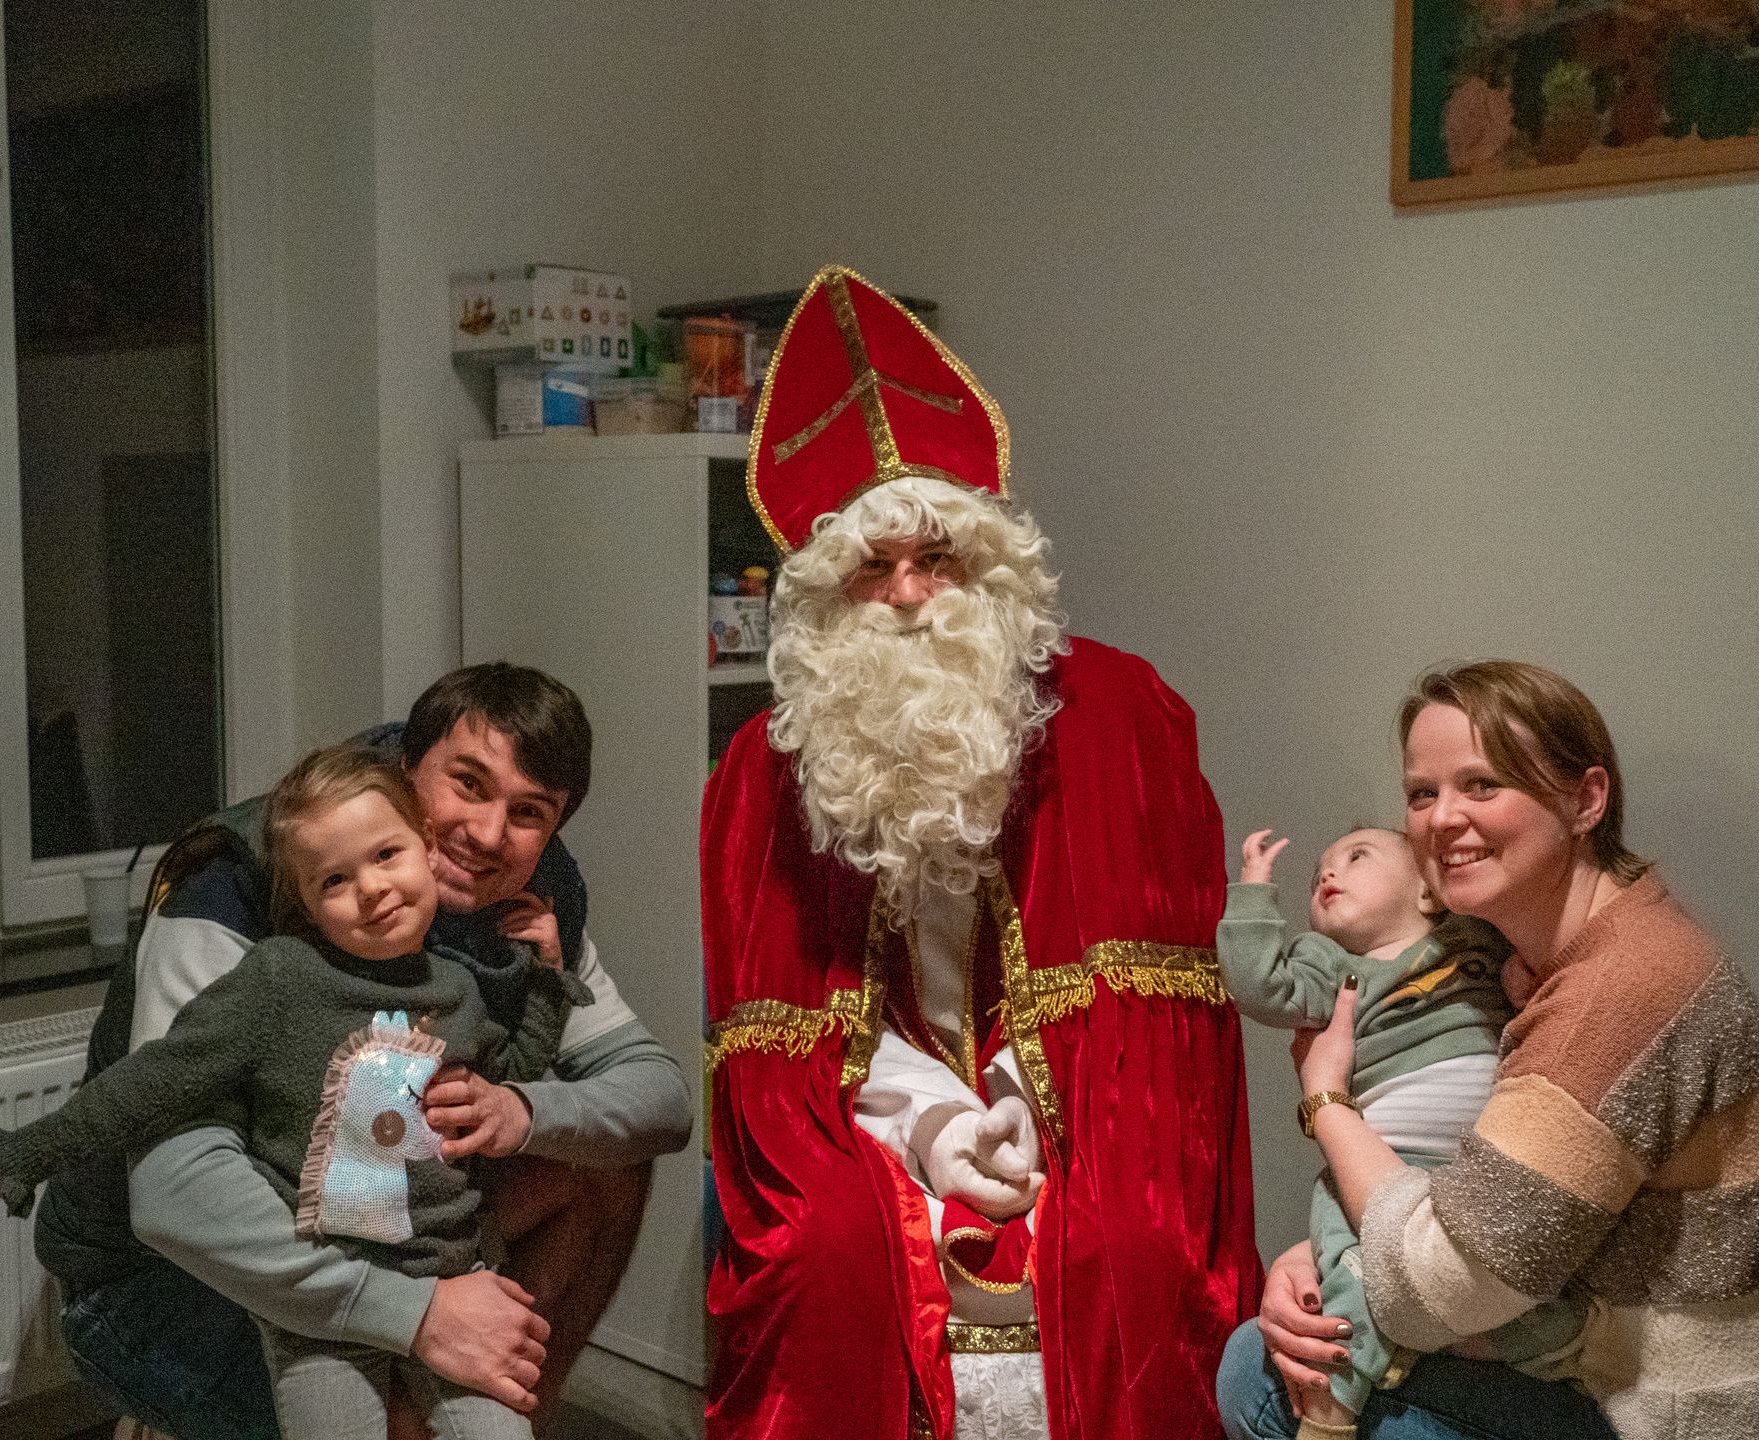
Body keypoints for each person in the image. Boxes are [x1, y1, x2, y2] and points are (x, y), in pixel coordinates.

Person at [702, 265, 1262, 1440]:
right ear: (826, 596)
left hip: (1085, 1110)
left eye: (937, 558)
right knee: (821, 1257)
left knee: (1129, 1248)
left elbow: (1165, 1021)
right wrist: (929, 1124)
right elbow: (775, 1042)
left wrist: (1017, 1100)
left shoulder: (1120, 714)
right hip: (870, 1116)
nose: (909, 594)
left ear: (990, 567)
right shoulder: (762, 766)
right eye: (874, 567)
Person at [31, 663, 693, 1440]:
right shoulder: (231, 887)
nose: (487, 834)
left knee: (600, 1160)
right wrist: (419, 1315)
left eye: (527, 812)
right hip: (160, 1276)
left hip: (386, 1228)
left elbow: (658, 1096)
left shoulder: (524, 898)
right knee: (395, 1420)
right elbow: (172, 1189)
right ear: (406, 769)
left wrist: (520, 1110)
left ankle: (504, 1399)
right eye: (468, 784)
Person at [0, 745, 592, 1439]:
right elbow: (144, 1084)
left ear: (426, 849)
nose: (371, 889)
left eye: (386, 855)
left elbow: (514, 1074)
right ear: (306, 903)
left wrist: (548, 977)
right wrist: (17, 1157)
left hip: (446, 1274)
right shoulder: (277, 980)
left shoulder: (458, 989)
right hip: (320, 1311)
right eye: (334, 879)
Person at [1219, 660, 1759, 1440]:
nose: (1443, 818)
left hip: (1661, 1404)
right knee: (1288, 1342)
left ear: (1585, 800)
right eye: (1421, 794)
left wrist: (1327, 1101)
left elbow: (1439, 1294)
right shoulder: (1551, 960)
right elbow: (1508, 1205)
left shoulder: (1618, 995)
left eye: (1482, 785)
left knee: (1258, 1374)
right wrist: (1314, 1257)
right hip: (1589, 1347)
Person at [1217, 827, 1584, 1439]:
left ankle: (1530, 1356)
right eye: (1320, 872)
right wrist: (1254, 890)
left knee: (1532, 1297)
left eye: (1357, 857)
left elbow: (1533, 968)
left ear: (1427, 891)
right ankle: (1328, 1419)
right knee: (1353, 1281)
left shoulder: (1469, 941)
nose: (1328, 873)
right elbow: (1261, 984)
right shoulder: (1330, 967)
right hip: (1379, 1166)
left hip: (1482, 1162)